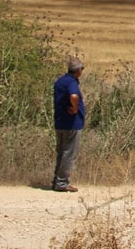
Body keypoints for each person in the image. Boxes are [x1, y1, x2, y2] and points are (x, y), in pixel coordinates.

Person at [52, 56, 86, 192]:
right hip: (71, 123)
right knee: (69, 153)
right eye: (81, 69)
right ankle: (62, 183)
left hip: (60, 121)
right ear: (77, 70)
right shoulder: (72, 82)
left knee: (61, 152)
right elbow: (74, 96)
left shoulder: (60, 81)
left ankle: (57, 180)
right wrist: (75, 108)